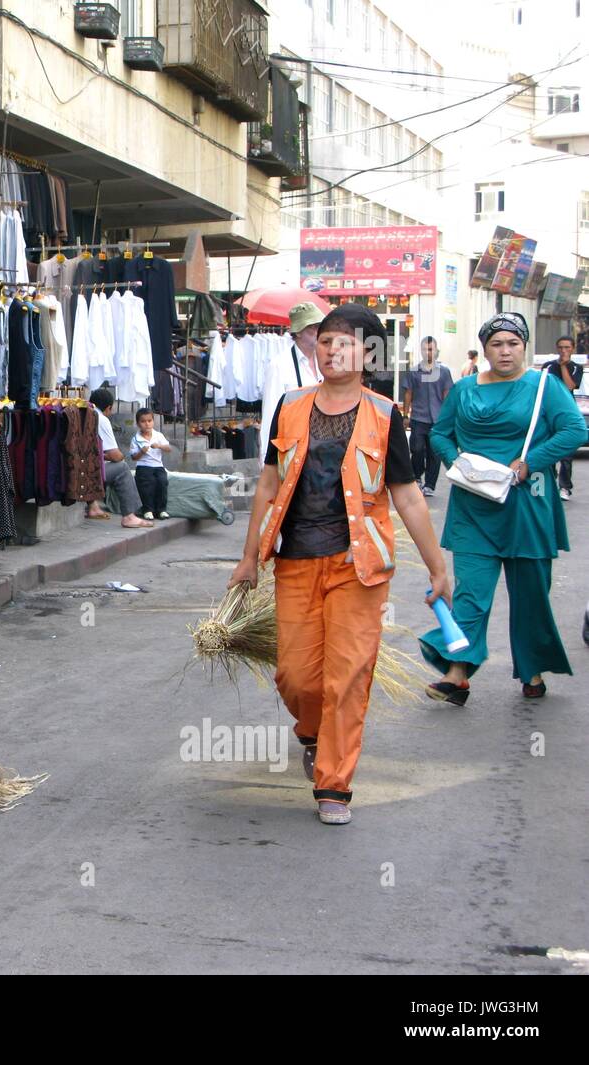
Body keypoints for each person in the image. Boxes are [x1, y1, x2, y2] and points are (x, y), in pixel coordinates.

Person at [230, 304, 449, 826]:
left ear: (369, 352)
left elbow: (408, 496)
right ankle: (312, 730)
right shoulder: (289, 406)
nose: (331, 349)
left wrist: (438, 568)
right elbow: (267, 483)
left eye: (345, 342)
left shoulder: (384, 414)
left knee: (347, 677)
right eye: (325, 340)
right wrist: (248, 557)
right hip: (296, 561)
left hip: (359, 566)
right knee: (298, 676)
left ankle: (334, 783)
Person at [421, 313, 587, 703]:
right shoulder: (462, 389)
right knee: (470, 594)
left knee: (530, 594)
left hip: (527, 504)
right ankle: (457, 672)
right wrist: (456, 463)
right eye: (497, 344)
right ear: (485, 349)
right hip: (472, 506)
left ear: (524, 346)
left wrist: (532, 461)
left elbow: (575, 431)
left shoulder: (544, 386)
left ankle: (531, 668)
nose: (506, 351)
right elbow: (441, 434)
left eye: (513, 343)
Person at [259, 302, 324, 469]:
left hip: (322, 449)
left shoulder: (325, 362)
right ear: (299, 331)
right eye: (312, 326)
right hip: (294, 452)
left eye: (320, 326)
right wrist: (267, 463)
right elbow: (270, 415)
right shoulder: (280, 365)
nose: (318, 331)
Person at [85, 388, 154, 529]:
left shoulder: (83, 414)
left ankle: (93, 506)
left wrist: (102, 455)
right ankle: (129, 516)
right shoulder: (101, 419)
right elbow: (115, 456)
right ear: (109, 408)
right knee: (121, 468)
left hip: (77, 470)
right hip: (85, 475)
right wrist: (120, 456)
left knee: (97, 461)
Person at [404, 336, 453, 497]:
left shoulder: (444, 372)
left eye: (431, 349)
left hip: (438, 420)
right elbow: (408, 393)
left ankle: (430, 485)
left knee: (434, 453)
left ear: (436, 350)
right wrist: (406, 415)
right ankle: (416, 476)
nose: (428, 352)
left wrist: (449, 419)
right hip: (419, 417)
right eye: (425, 349)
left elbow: (447, 395)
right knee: (416, 449)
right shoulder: (414, 372)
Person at [544, 335, 583, 500]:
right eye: (560, 347)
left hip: (567, 414)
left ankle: (565, 487)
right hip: (549, 413)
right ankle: (550, 484)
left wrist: (564, 366)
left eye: (567, 347)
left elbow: (569, 386)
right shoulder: (548, 366)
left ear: (572, 349)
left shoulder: (576, 368)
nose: (563, 350)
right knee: (548, 450)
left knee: (566, 454)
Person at [129, 407, 172, 520]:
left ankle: (161, 510)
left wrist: (159, 446)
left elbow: (168, 448)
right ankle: (148, 510)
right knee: (147, 485)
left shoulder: (158, 435)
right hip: (143, 466)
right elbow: (133, 457)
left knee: (162, 482)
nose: (147, 424)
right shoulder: (136, 439)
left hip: (158, 466)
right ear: (138, 424)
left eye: (149, 421)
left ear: (153, 421)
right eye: (143, 421)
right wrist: (141, 451)